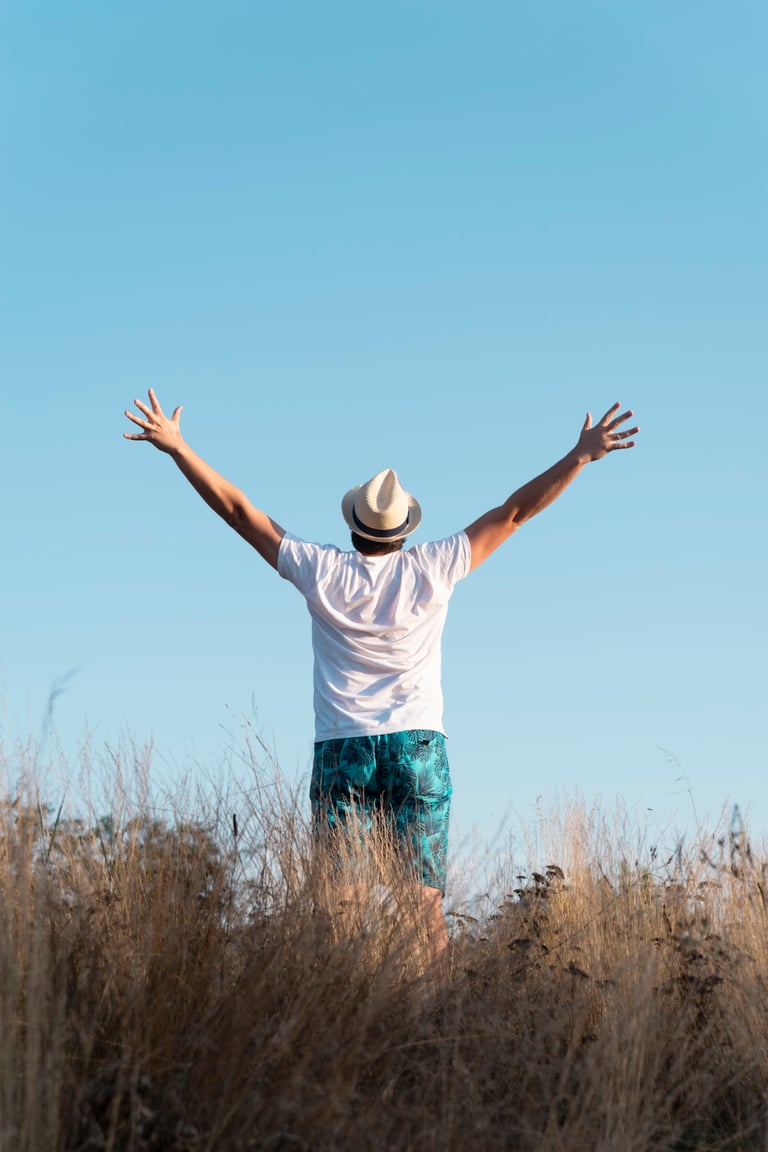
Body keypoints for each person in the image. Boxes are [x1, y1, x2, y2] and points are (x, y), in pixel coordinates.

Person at [124, 390, 638, 960]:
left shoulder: (321, 570)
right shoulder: (434, 566)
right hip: (418, 746)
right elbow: (515, 512)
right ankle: (434, 1011)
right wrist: (579, 456)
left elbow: (239, 512)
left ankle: (350, 1009)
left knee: (339, 910)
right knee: (422, 910)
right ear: (404, 531)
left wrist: (178, 448)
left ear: (354, 527)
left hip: (343, 746)